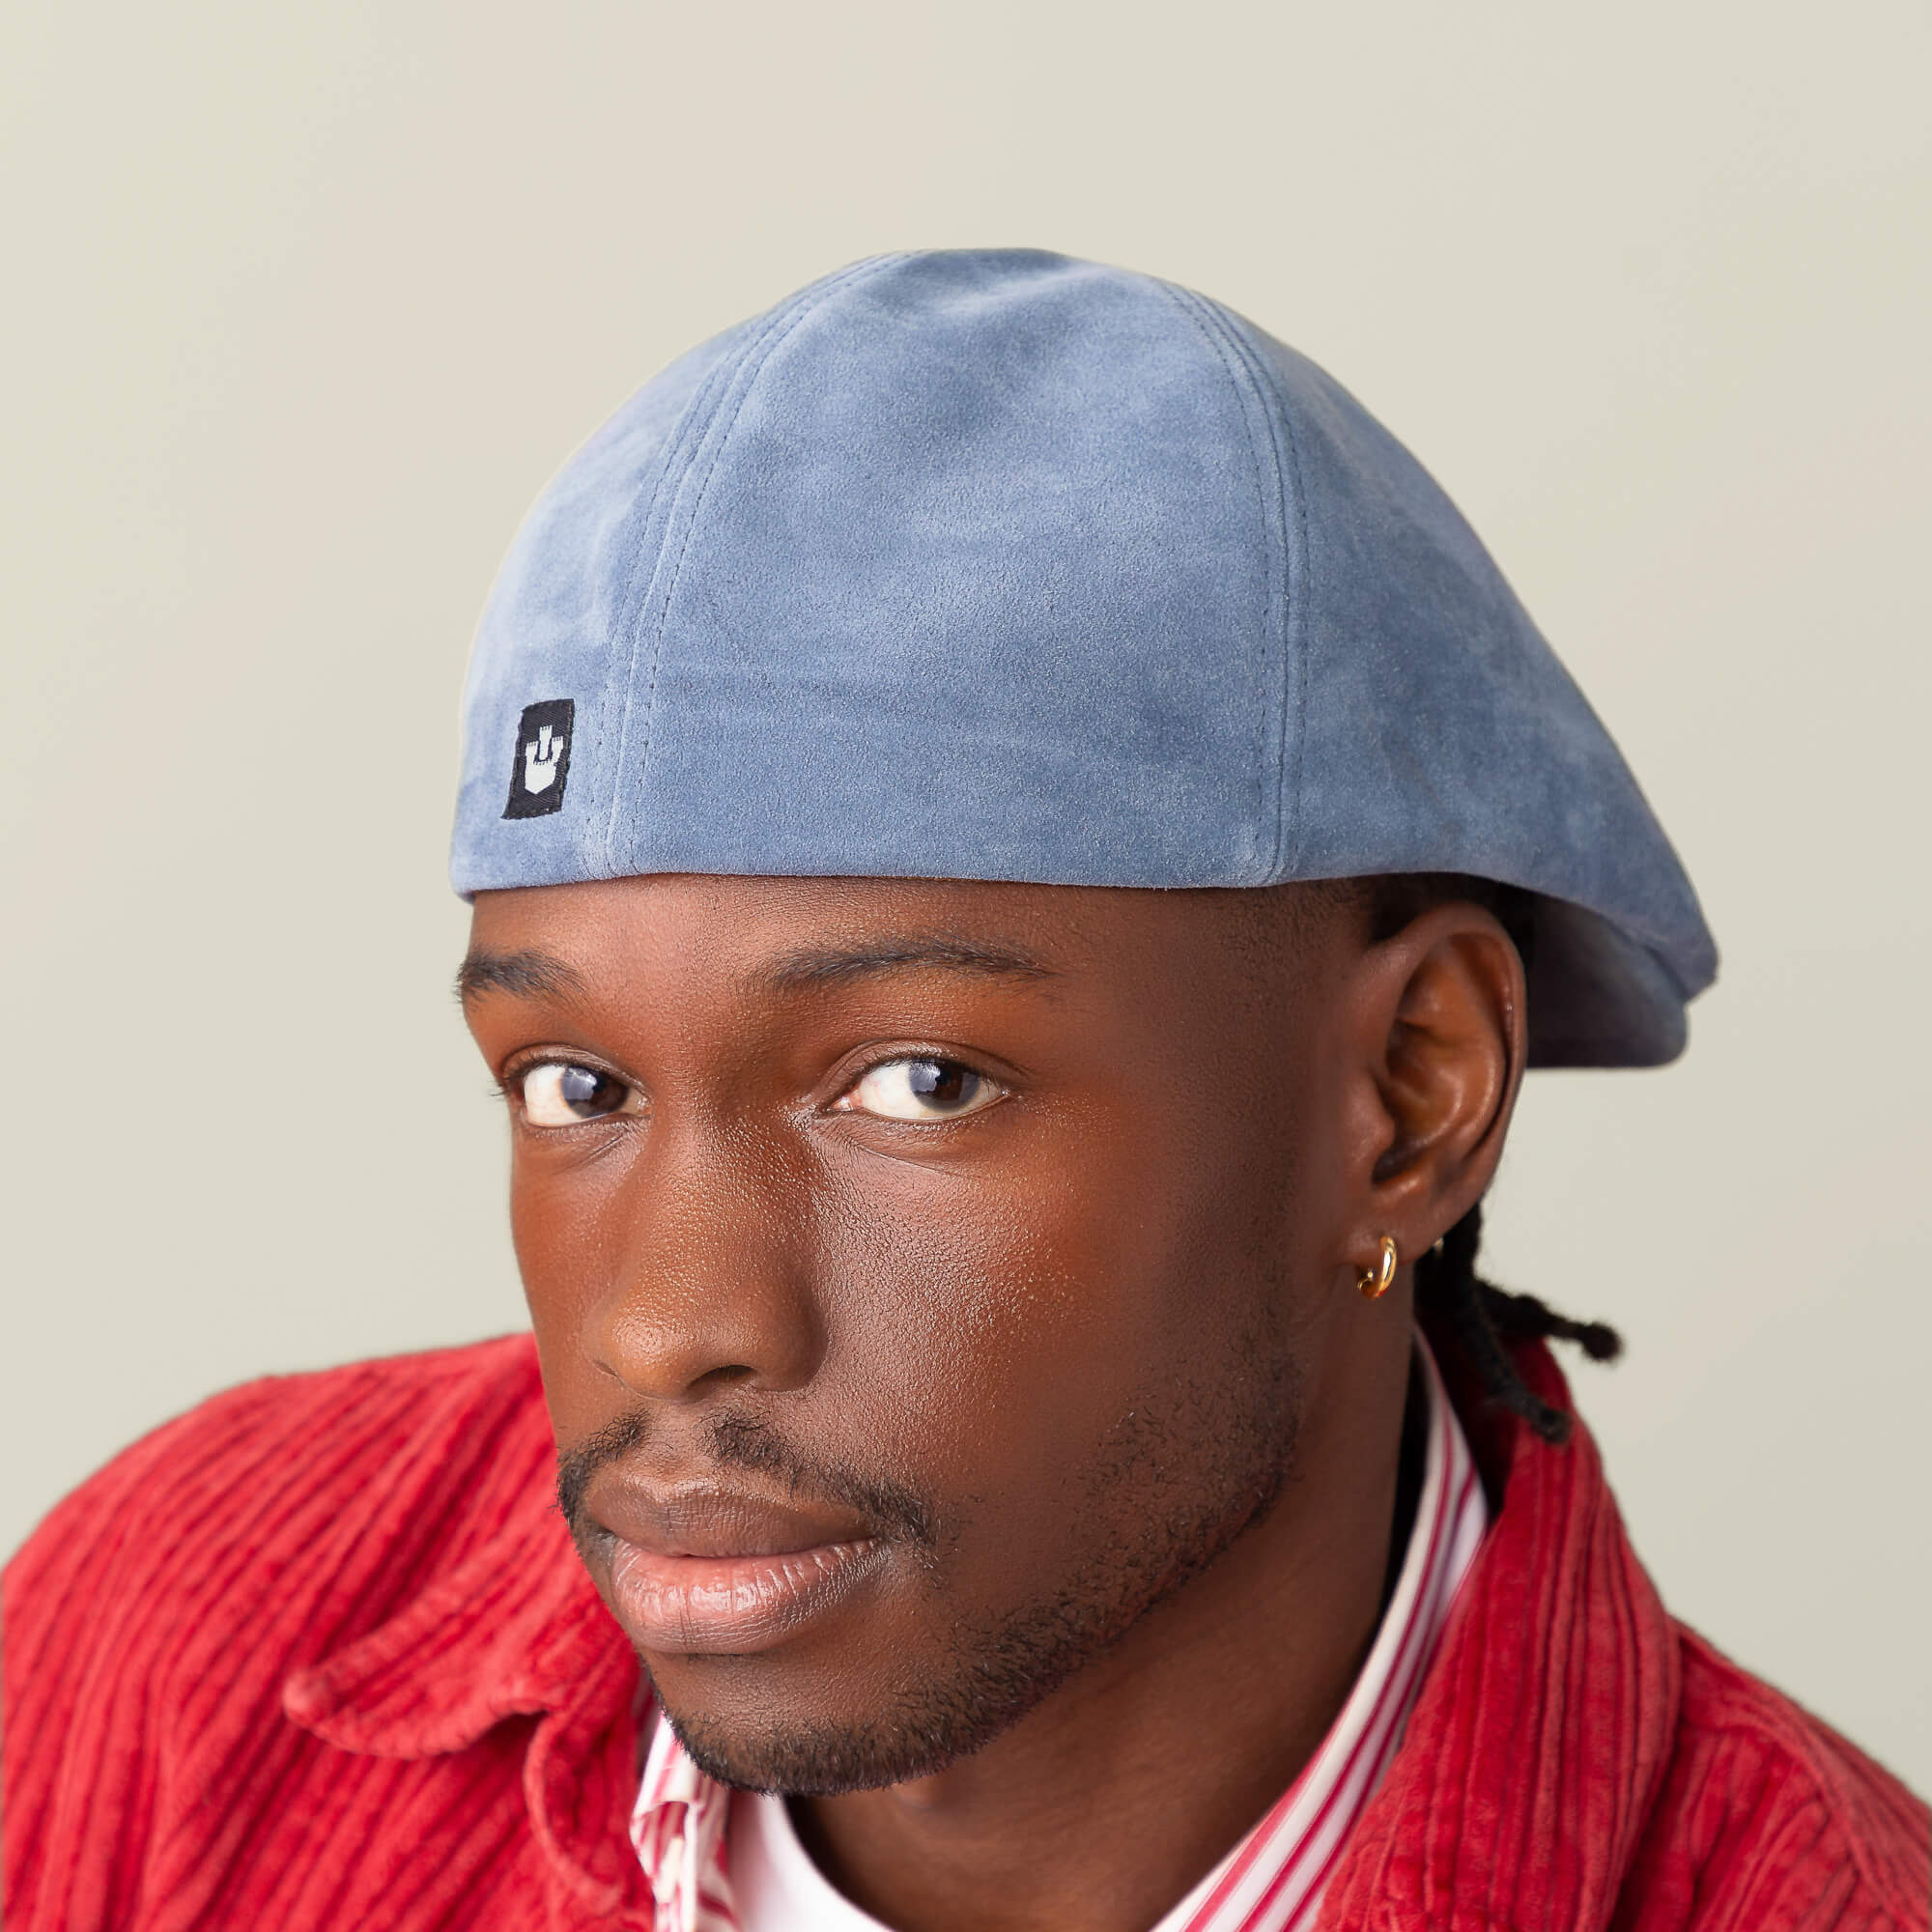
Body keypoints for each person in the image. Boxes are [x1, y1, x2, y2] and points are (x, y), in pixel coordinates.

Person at [4, 250, 1925, 1932]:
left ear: (1409, 1094)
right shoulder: (180, 1640)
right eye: (576, 1082)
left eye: (918, 1083)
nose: (667, 1325)